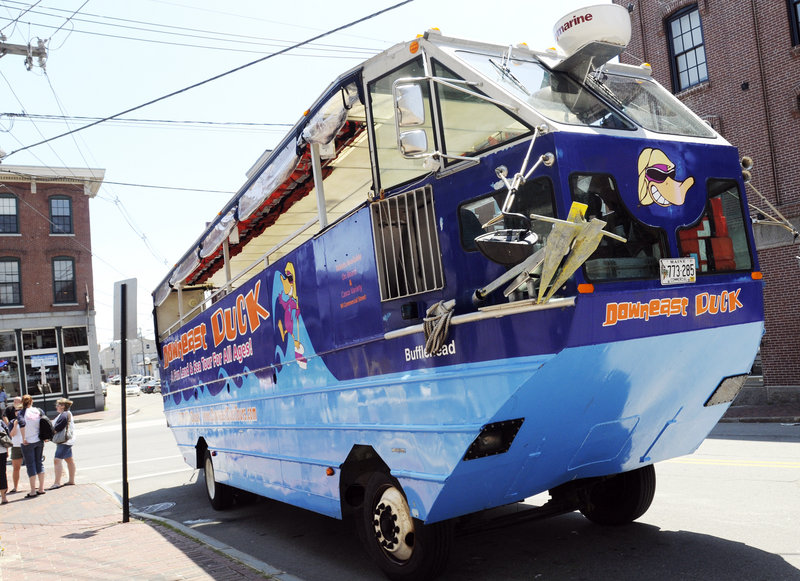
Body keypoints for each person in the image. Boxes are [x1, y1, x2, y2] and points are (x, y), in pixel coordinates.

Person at [18, 394, 46, 497]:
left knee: (30, 465)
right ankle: (41, 488)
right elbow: (45, 422)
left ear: (22, 402)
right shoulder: (38, 410)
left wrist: (24, 438)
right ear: (32, 401)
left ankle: (33, 490)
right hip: (39, 440)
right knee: (39, 462)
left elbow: (22, 424)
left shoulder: (21, 413)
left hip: (27, 442)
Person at [49, 398, 76, 488]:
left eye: (57, 405)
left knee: (57, 460)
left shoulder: (64, 414)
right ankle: (71, 480)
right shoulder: (65, 414)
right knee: (69, 460)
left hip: (64, 441)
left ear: (62, 406)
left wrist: (50, 434)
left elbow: (58, 427)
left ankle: (57, 482)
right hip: (67, 441)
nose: (56, 407)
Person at [6, 396, 23, 493]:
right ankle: (15, 487)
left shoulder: (27, 420)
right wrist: (16, 425)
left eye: (20, 410)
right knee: (16, 467)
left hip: (26, 445)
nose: (17, 412)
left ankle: (35, 485)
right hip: (16, 446)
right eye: (16, 411)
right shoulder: (13, 422)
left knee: (31, 465)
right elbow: (12, 434)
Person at [0, 414, 9, 504]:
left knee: (2, 474)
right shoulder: (1, 423)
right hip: (2, 451)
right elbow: (7, 437)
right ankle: (3, 497)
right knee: (2, 474)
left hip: (2, 452)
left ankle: (3, 497)